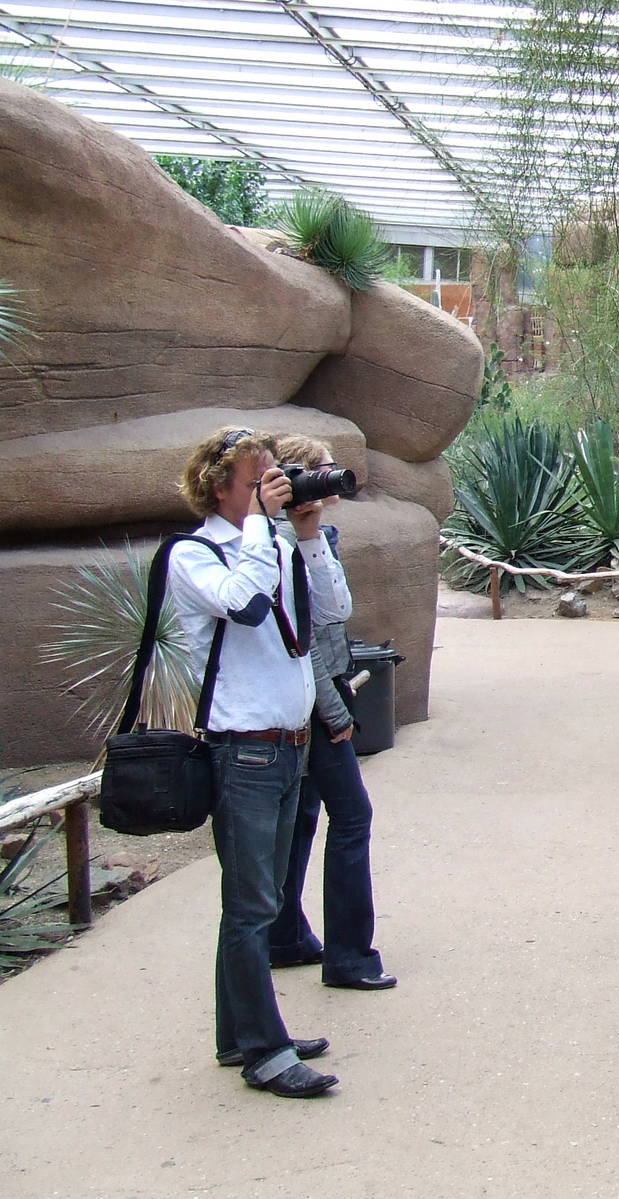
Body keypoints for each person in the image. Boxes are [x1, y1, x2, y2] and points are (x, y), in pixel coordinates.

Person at [170, 427, 351, 1099]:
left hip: (289, 743)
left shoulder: (272, 542)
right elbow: (245, 607)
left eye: (277, 479)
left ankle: (237, 1033)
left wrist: (304, 536)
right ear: (221, 488)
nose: (275, 490)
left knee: (260, 902)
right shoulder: (193, 556)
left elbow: (331, 613)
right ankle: (266, 1053)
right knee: (251, 908)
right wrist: (259, 528)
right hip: (242, 749)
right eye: (259, 481)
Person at [267, 434, 396, 992]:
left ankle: (285, 934)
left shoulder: (314, 535)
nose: (327, 481)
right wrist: (334, 712)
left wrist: (312, 533)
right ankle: (348, 956)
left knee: (302, 818)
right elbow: (304, 641)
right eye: (316, 472)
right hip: (311, 702)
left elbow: (337, 611)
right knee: (351, 817)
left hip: (317, 695)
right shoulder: (267, 546)